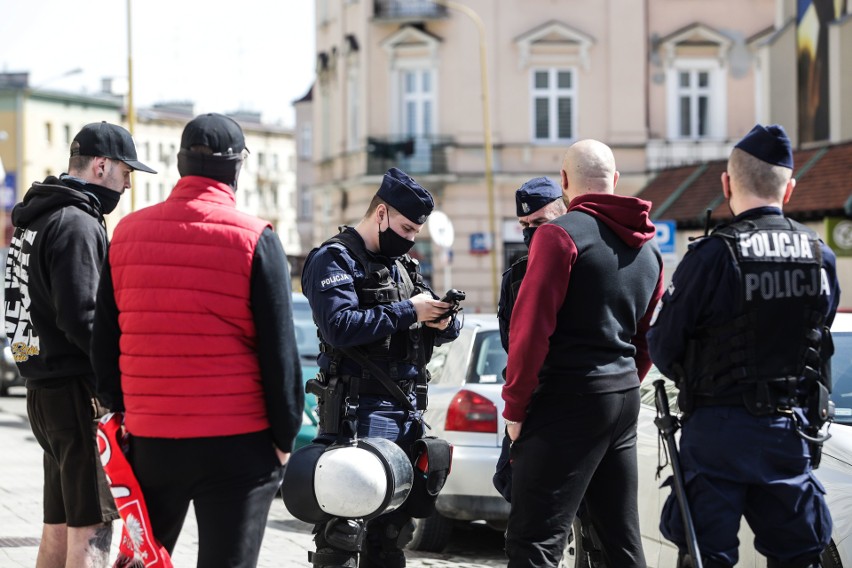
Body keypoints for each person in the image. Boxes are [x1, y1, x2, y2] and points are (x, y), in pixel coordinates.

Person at [90, 113, 304, 567]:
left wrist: (120, 410)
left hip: (152, 440)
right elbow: (280, 355)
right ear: (236, 168)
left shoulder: (126, 234)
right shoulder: (254, 238)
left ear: (181, 164)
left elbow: (105, 337)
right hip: (237, 443)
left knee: (145, 558)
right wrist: (284, 438)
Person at [648, 124, 839, 568]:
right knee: (798, 556)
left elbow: (664, 346)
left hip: (717, 431)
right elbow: (819, 338)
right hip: (789, 432)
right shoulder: (820, 256)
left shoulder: (712, 255)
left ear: (726, 183)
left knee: (706, 556)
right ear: (789, 189)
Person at [502, 139, 664, 568]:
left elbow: (530, 329)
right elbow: (647, 338)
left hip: (567, 399)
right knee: (620, 541)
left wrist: (515, 409)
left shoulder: (558, 236)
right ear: (614, 181)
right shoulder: (649, 250)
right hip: (623, 399)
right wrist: (625, 380)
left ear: (565, 182)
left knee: (534, 541)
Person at [3, 121, 156, 567]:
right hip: (76, 394)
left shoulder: (38, 217)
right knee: (93, 529)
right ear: (101, 165)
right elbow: (84, 318)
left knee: (60, 524)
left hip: (42, 388)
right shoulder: (76, 222)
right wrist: (120, 380)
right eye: (125, 173)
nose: (127, 185)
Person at [301, 167, 461, 568]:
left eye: (415, 233)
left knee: (391, 539)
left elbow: (432, 322)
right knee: (344, 533)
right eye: (405, 228)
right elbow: (339, 327)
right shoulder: (334, 258)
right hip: (358, 414)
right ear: (381, 214)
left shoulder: (403, 266)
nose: (408, 240)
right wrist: (410, 312)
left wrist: (442, 320)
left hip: (406, 413)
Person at [497, 176, 567, 353]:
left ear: (564, 216)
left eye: (539, 222)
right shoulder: (514, 277)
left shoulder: (583, 264)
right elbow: (510, 344)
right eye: (524, 224)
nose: (530, 230)